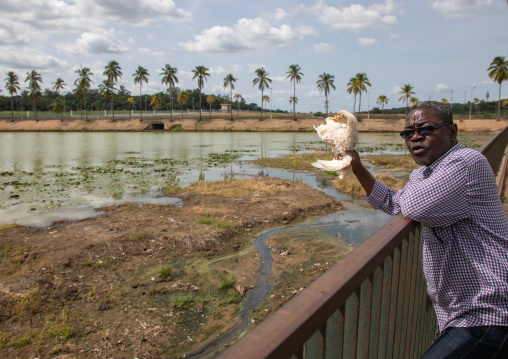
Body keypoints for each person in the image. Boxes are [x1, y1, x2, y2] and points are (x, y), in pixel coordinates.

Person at [345, 101, 508, 358]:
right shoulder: (427, 174)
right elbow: (394, 202)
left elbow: (412, 205)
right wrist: (358, 167)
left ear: (452, 132)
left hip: (488, 312)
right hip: (461, 313)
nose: (415, 137)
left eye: (426, 129)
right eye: (408, 133)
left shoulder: (465, 162)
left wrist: (410, 189)